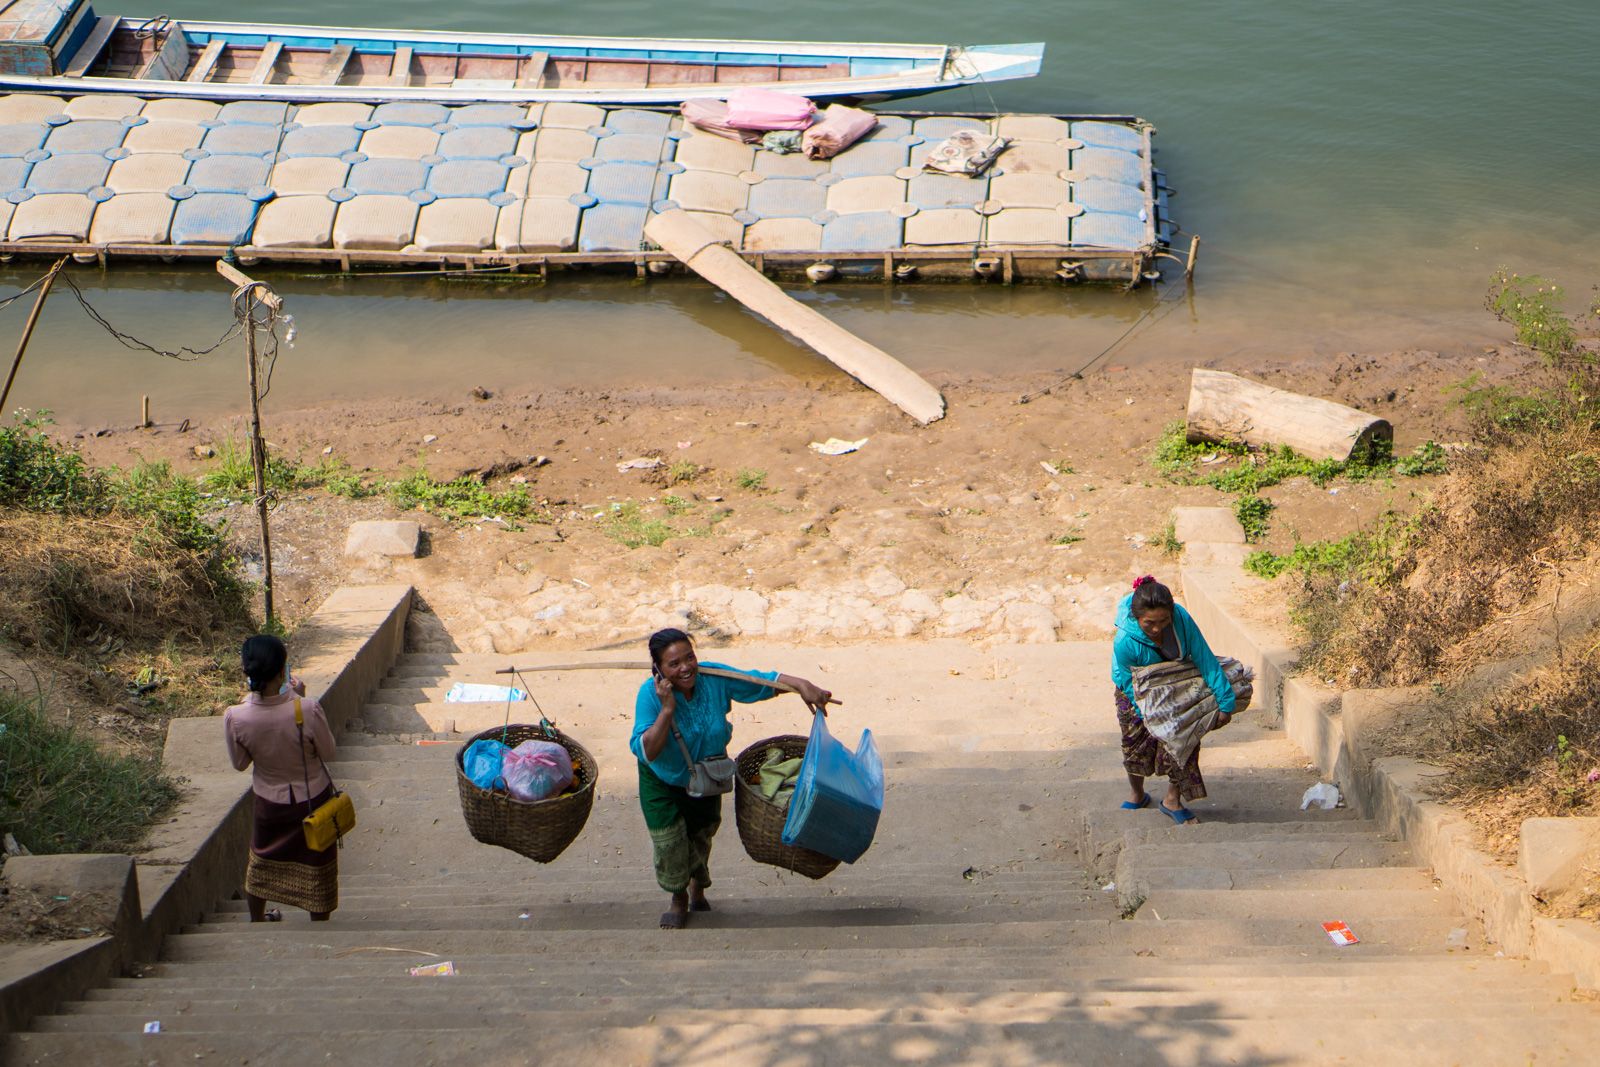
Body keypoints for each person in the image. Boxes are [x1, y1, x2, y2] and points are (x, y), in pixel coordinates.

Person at [631, 627, 839, 929]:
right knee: (669, 841)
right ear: (658, 669)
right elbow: (647, 750)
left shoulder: (713, 677)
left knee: (701, 834)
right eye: (674, 664)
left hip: (706, 775)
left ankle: (697, 888)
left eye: (689, 657)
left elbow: (756, 681)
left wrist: (801, 685)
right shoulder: (649, 695)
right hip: (661, 778)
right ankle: (678, 899)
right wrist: (666, 710)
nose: (686, 667)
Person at [223, 634, 339, 922]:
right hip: (313, 798)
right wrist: (299, 699)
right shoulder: (307, 709)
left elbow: (240, 763)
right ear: (282, 671)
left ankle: (257, 919)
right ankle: (319, 922)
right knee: (317, 863)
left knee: (261, 860)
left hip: (269, 802)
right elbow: (329, 751)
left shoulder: (236, 717)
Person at [1111, 576, 1236, 825]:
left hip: (1176, 685)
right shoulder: (1125, 642)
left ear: (1172, 613)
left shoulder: (1182, 619)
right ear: (1137, 619)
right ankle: (1137, 792)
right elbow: (1127, 682)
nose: (1157, 629)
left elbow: (1204, 657)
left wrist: (1226, 701)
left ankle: (1172, 799)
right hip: (1135, 692)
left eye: (1163, 621)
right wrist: (1150, 717)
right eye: (1149, 624)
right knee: (1133, 742)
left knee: (1185, 741)